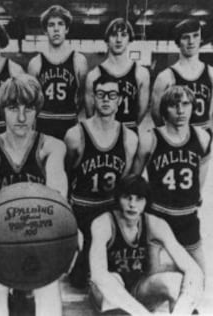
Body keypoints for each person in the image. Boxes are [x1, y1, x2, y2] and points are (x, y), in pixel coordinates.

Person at [0, 73, 67, 316]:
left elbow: (57, 199)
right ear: (2, 110)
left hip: (42, 233)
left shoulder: (53, 147)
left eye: (29, 108)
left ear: (38, 111)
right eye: (13, 108)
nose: (22, 117)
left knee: (48, 284)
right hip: (0, 238)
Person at [89, 174, 203, 315]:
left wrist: (183, 308)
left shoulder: (155, 223)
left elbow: (193, 269)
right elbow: (98, 274)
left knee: (175, 281)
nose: (132, 204)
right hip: (108, 293)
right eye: (127, 197)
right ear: (118, 198)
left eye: (139, 199)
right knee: (113, 279)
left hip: (139, 290)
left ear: (146, 202)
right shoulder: (103, 223)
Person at [64, 75, 138, 288]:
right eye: (101, 94)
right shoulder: (75, 134)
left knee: (123, 277)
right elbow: (67, 174)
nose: (106, 99)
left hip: (111, 212)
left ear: (120, 100)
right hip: (83, 211)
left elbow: (126, 182)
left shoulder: (129, 138)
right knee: (79, 279)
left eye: (112, 95)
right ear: (93, 98)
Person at [133, 85, 211, 272]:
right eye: (174, 105)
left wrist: (194, 199)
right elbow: (134, 181)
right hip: (158, 215)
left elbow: (201, 175)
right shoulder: (150, 139)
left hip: (187, 216)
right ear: (164, 109)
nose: (181, 110)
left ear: (193, 106)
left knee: (201, 274)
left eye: (185, 104)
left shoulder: (202, 137)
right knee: (151, 274)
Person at [28, 5, 88, 140]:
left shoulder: (79, 60)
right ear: (45, 30)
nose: (56, 29)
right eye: (51, 25)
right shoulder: (35, 63)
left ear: (66, 29)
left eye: (60, 24)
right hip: (43, 124)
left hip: (69, 124)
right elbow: (32, 101)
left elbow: (81, 96)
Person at [85, 18, 150, 131]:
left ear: (129, 39)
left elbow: (141, 112)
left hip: (129, 131)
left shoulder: (141, 73)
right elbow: (90, 114)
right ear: (107, 40)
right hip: (103, 133)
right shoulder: (94, 75)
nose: (119, 40)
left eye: (124, 35)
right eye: (114, 35)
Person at [151, 18, 213, 131]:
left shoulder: (211, 73)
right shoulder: (165, 77)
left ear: (201, 39)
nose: (191, 41)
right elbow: (156, 115)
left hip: (203, 138)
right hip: (178, 138)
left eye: (195, 35)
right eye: (186, 37)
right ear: (178, 41)